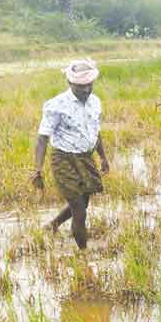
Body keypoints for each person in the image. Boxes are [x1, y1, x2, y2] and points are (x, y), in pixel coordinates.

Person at [32, 58, 109, 250]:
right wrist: (37, 170)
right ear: (70, 83)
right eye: (80, 86)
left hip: (86, 157)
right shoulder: (56, 105)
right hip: (63, 159)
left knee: (83, 202)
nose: (86, 90)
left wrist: (103, 157)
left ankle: (52, 225)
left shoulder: (95, 102)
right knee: (79, 211)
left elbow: (95, 132)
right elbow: (43, 138)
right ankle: (84, 255)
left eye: (89, 85)